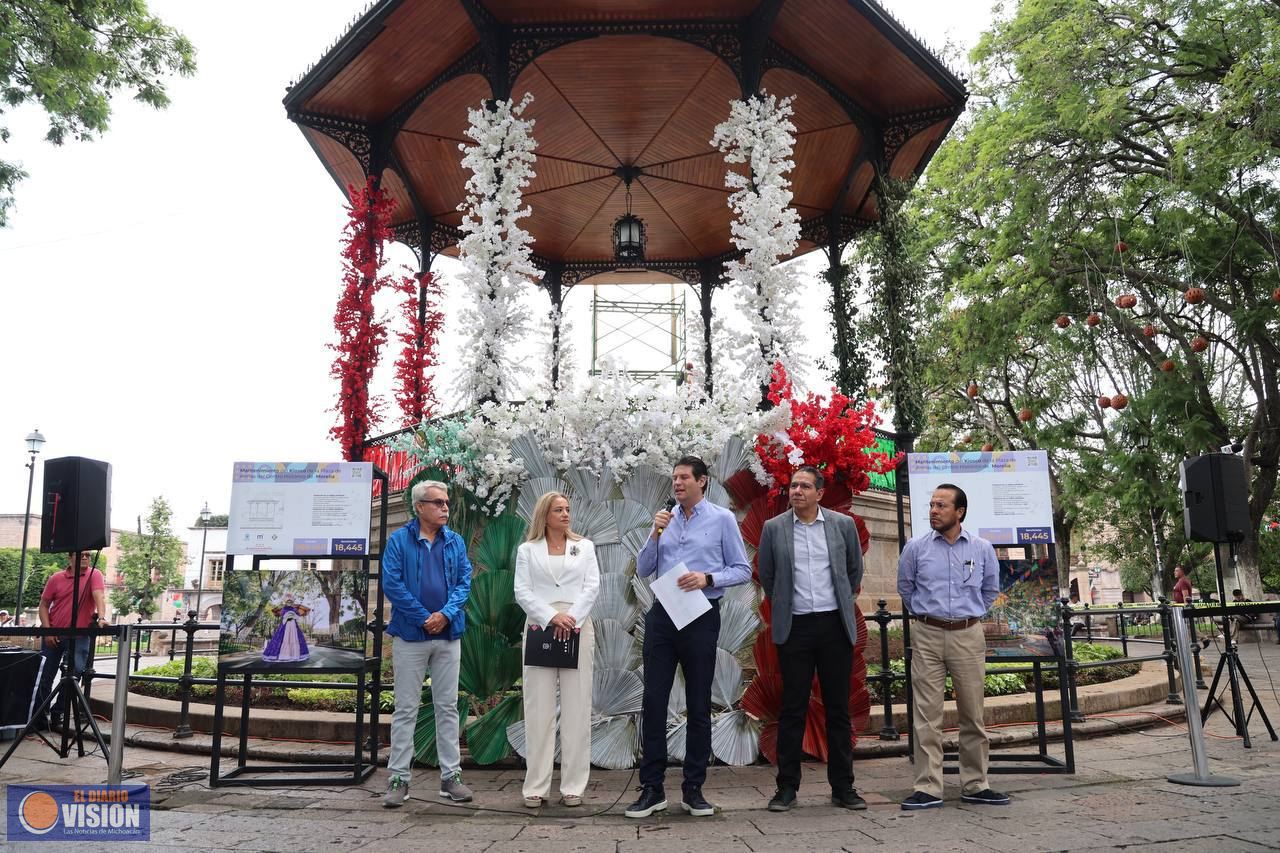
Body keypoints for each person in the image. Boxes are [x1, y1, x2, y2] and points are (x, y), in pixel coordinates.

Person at [626, 455, 752, 819]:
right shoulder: (664, 520)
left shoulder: (723, 520)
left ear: (703, 481)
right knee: (653, 699)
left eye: (684, 478)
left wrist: (707, 578)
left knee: (698, 702)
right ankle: (652, 788)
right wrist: (654, 532)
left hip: (701, 614)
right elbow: (645, 567)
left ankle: (693, 789)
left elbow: (742, 569)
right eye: (674, 478)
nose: (677, 483)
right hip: (663, 614)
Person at [757, 466, 866, 812]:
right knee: (792, 708)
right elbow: (768, 577)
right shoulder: (773, 529)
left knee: (838, 709)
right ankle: (786, 787)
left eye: (804, 486)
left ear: (820, 493)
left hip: (834, 626)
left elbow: (853, 571)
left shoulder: (842, 525)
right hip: (796, 628)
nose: (796, 491)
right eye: (793, 486)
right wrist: (789, 605)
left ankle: (843, 787)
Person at [896, 484, 1008, 810]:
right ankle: (928, 788)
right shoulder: (915, 548)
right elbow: (906, 587)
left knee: (972, 714)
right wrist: (923, 614)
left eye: (941, 505)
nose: (933, 510)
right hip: (927, 634)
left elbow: (990, 590)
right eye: (931, 505)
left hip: (967, 635)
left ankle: (975, 784)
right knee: (925, 716)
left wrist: (967, 616)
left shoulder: (982, 548)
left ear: (959, 512)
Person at [381, 480, 474, 808]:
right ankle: (398, 779)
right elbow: (391, 583)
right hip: (411, 635)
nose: (445, 508)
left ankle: (451, 777)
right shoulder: (398, 541)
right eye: (437, 502)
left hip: (448, 635)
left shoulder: (456, 542)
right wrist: (424, 617)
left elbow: (465, 582)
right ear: (419, 506)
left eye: (446, 502)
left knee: (447, 707)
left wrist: (446, 614)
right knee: (405, 708)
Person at [513, 492, 601, 808]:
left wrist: (570, 617)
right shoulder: (527, 550)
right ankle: (535, 786)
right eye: (558, 510)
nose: (565, 514)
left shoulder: (585, 547)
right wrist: (552, 617)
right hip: (540, 626)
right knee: (538, 709)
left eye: (567, 509)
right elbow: (521, 590)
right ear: (545, 515)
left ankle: (573, 786)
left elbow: (592, 587)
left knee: (578, 707)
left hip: (578, 626)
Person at [34, 553, 107, 728]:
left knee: (74, 674)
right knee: (45, 676)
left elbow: (99, 596)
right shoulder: (56, 578)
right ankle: (39, 718)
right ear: (70, 557)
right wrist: (48, 630)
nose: (86, 558)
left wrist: (102, 617)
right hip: (55, 632)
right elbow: (44, 605)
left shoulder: (94, 574)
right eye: (81, 555)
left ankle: (58, 714)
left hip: (79, 635)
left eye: (88, 555)